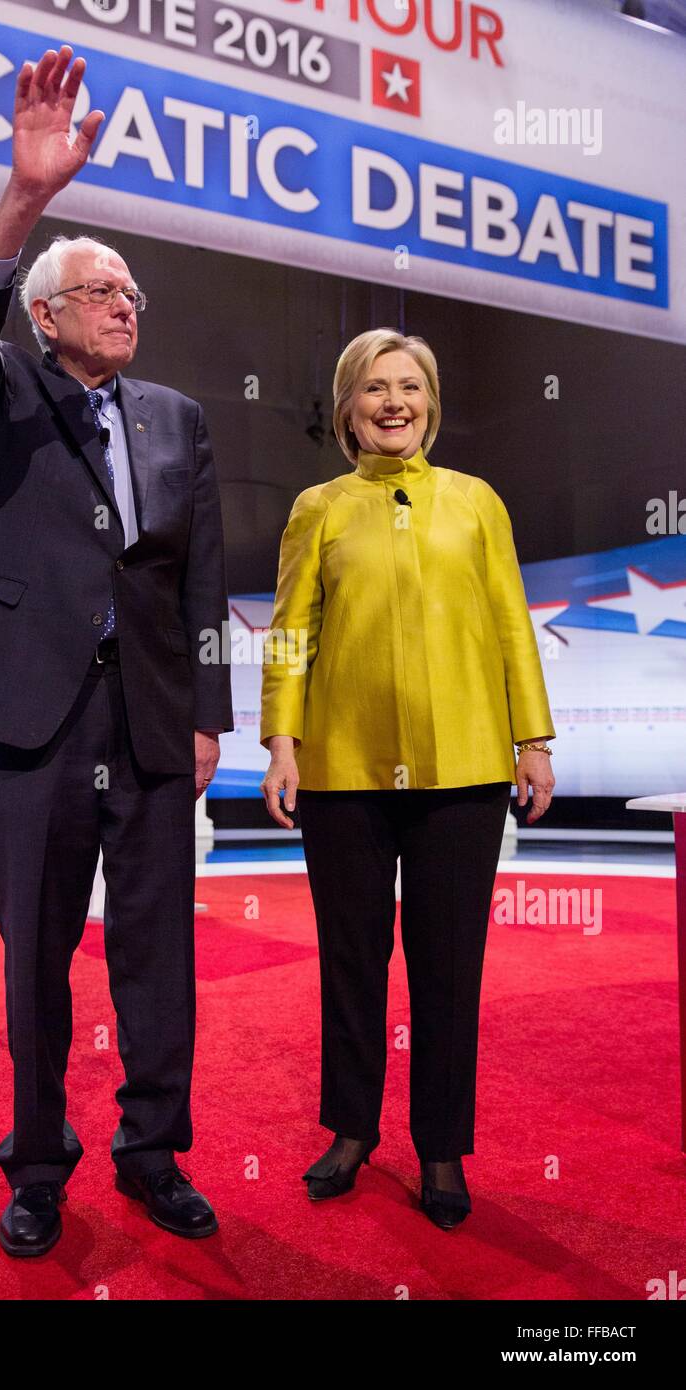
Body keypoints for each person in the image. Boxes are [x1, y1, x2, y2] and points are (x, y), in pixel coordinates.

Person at [0, 46, 234, 1254]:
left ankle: (153, 1152)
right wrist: (25, 199)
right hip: (30, 712)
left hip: (151, 715)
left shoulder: (179, 421)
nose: (127, 309)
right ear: (47, 314)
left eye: (135, 297)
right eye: (104, 293)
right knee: (34, 955)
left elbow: (200, 574)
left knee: (159, 953)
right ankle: (38, 1165)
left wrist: (209, 709)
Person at [259, 330, 555, 1229]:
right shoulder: (319, 507)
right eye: (375, 390)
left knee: (448, 968)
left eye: (411, 386)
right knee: (351, 963)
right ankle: (351, 1129)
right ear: (347, 407)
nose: (395, 403)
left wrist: (532, 739)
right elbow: (290, 634)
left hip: (464, 769)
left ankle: (440, 1149)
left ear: (430, 399)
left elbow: (512, 626)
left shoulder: (478, 504)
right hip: (342, 772)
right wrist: (281, 740)